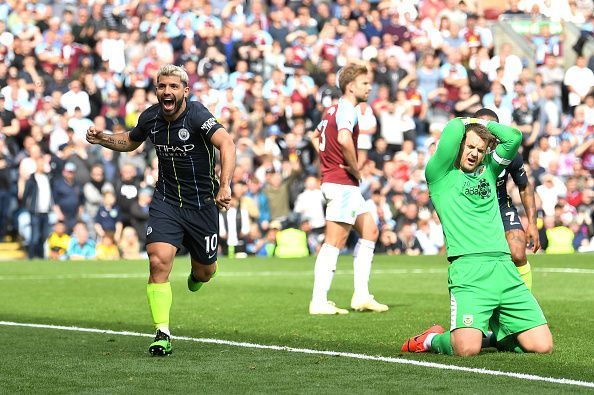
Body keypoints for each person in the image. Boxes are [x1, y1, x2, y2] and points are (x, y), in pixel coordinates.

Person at [86, 65, 236, 356]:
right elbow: (131, 140)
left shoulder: (197, 115)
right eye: (162, 86)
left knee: (205, 272)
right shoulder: (151, 117)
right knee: (158, 261)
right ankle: (162, 333)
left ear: (185, 92)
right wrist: (103, 137)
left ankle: (198, 274)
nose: (167, 91)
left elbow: (226, 143)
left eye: (174, 87)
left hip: (202, 205)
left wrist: (225, 185)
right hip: (166, 201)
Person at [401, 116, 553, 356]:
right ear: (459, 146)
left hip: (504, 269)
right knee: (466, 349)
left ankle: (492, 336)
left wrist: (485, 124)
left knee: (542, 346)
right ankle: (431, 339)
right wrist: (473, 120)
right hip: (468, 271)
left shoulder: (490, 171)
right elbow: (451, 128)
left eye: (480, 150)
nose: (474, 153)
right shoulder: (439, 175)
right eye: (469, 147)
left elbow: (514, 137)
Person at [309, 63, 388, 315]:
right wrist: (354, 168)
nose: (369, 87)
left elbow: (314, 137)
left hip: (341, 183)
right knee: (334, 241)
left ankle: (361, 295)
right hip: (342, 183)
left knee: (370, 231)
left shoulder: (330, 110)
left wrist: (327, 161)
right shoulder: (348, 110)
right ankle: (319, 300)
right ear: (351, 86)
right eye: (365, 83)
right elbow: (344, 139)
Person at [474, 109, 540, 290]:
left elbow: (524, 186)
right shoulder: (465, 154)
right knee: (479, 263)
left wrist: (532, 224)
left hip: (501, 206)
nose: (486, 134)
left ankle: (525, 304)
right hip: (474, 211)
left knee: (518, 253)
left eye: (491, 129)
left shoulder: (508, 153)